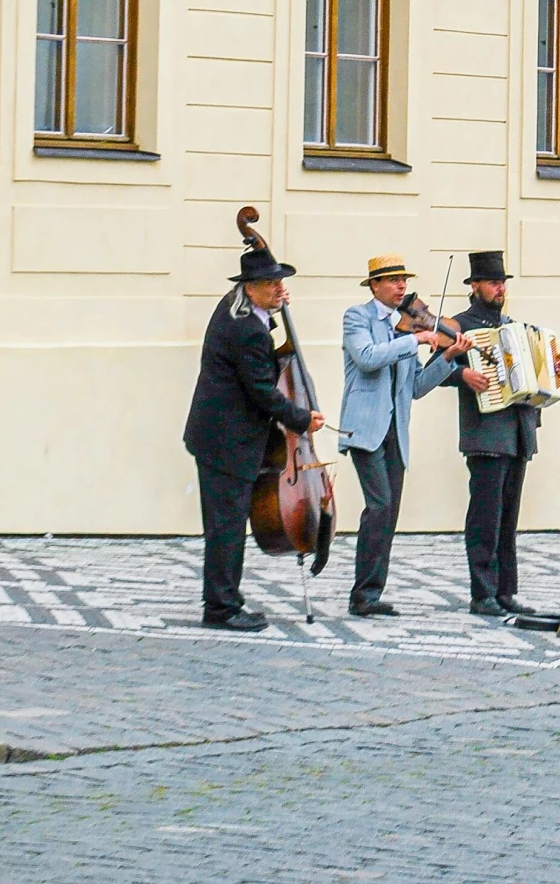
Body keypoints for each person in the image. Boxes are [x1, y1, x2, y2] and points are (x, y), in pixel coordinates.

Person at [182, 234, 323, 631]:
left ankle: (227, 600)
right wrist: (301, 419)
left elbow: (264, 342)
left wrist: (275, 308)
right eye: (271, 285)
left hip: (218, 436)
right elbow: (263, 391)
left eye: (281, 283)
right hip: (228, 442)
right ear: (249, 287)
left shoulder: (235, 309)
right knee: (226, 528)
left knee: (226, 525)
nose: (280, 289)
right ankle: (221, 609)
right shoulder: (247, 332)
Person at [339, 253, 470, 617]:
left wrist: (447, 359)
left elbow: (414, 386)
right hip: (364, 427)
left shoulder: (405, 329)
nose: (401, 287)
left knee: (389, 511)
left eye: (404, 281)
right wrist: (416, 339)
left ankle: (371, 593)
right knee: (379, 505)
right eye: (394, 280)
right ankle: (361, 594)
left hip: (396, 430)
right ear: (375, 285)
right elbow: (366, 357)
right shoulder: (357, 317)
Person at [448, 250, 560, 619]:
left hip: (517, 433)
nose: (499, 288)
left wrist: (554, 368)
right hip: (485, 434)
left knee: (508, 518)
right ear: (474, 286)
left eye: (502, 282)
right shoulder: (457, 326)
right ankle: (482, 593)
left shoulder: (517, 327)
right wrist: (461, 375)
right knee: (485, 515)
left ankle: (505, 591)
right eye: (492, 282)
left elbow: (537, 376)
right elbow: (434, 369)